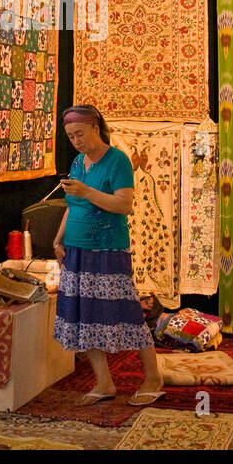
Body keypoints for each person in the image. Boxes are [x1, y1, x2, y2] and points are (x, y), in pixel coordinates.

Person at [52, 104, 163, 406]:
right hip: (76, 248)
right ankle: (104, 383)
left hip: (107, 248)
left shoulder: (118, 161)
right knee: (84, 317)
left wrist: (87, 192)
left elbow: (123, 205)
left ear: (95, 128)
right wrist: (58, 239)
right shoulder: (78, 163)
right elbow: (72, 205)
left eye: (79, 134)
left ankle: (153, 377)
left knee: (126, 312)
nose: (76, 141)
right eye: (71, 137)